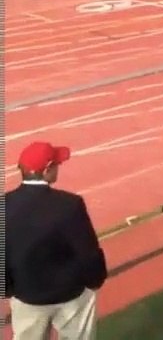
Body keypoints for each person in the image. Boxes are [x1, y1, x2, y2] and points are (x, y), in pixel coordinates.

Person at [4, 141, 108, 340]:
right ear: (47, 170)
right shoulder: (70, 205)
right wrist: (95, 280)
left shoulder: (4, 205)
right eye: (56, 165)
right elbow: (88, 252)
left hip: (27, 296)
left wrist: (9, 289)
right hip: (70, 294)